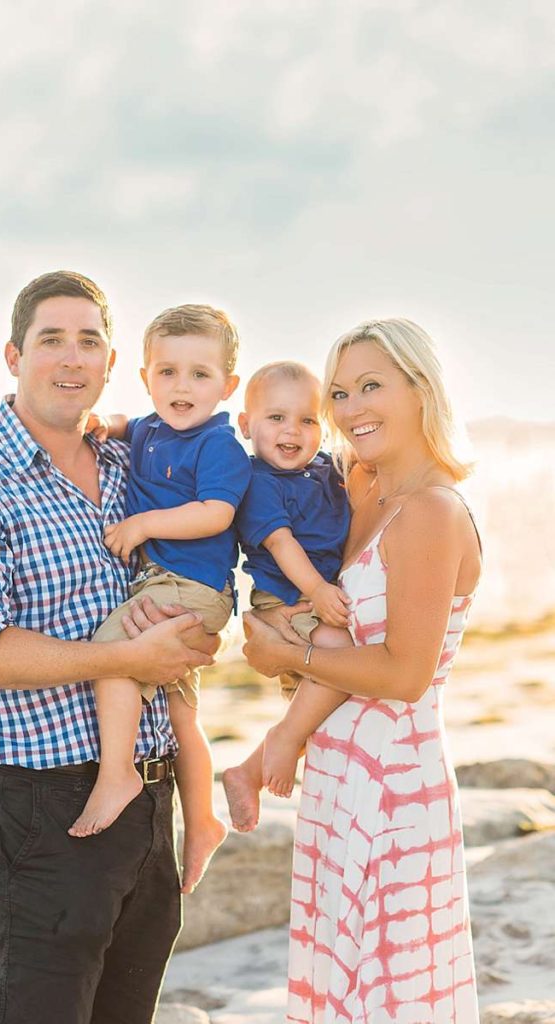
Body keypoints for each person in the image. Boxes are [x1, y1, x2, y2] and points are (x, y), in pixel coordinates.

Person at [0, 271, 219, 1024]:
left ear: (112, 364)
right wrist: (125, 661)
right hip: (41, 806)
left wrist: (195, 636)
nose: (70, 358)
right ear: (13, 355)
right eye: (52, 339)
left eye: (89, 341)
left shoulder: (132, 468)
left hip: (150, 794)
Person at [241, 318, 481, 1023]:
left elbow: (405, 673)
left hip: (394, 783)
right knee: (338, 980)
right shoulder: (357, 485)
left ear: (420, 389)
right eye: (340, 393)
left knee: (393, 989)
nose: (349, 410)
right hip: (335, 773)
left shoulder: (434, 511)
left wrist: (283, 654)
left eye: (371, 387)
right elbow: (251, 468)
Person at [68, 304, 251, 898]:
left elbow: (216, 513)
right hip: (168, 586)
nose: (182, 386)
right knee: (180, 714)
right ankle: (201, 821)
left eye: (200, 374)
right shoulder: (148, 428)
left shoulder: (219, 443)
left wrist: (144, 525)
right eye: (167, 372)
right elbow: (125, 427)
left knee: (113, 650)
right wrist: (104, 423)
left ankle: (116, 772)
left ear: (228, 385)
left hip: (192, 587)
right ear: (146, 377)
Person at [222, 361, 352, 833]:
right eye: (276, 418)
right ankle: (277, 743)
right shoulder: (258, 481)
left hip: (315, 602)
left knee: (316, 704)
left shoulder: (327, 470)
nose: (291, 431)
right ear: (246, 426)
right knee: (338, 661)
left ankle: (248, 772)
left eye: (307, 419)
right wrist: (317, 590)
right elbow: (281, 543)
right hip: (285, 602)